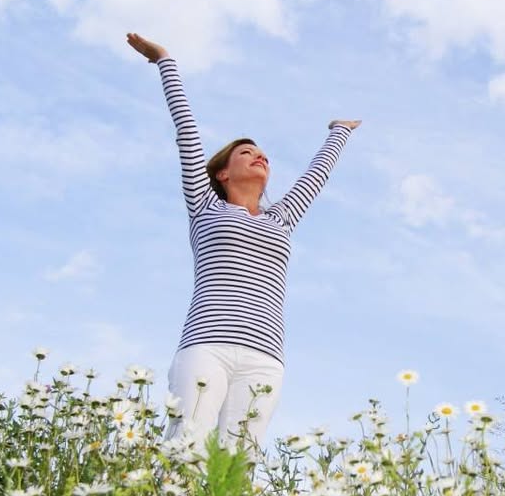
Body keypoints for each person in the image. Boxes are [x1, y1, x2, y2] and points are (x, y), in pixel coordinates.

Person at [126, 32, 360, 452]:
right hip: (206, 344)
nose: (260, 157)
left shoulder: (282, 217)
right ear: (222, 173)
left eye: (264, 155)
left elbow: (317, 175)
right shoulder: (204, 205)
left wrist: (339, 131)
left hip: (264, 355)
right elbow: (186, 131)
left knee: (241, 460)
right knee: (187, 448)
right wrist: (165, 60)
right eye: (246, 153)